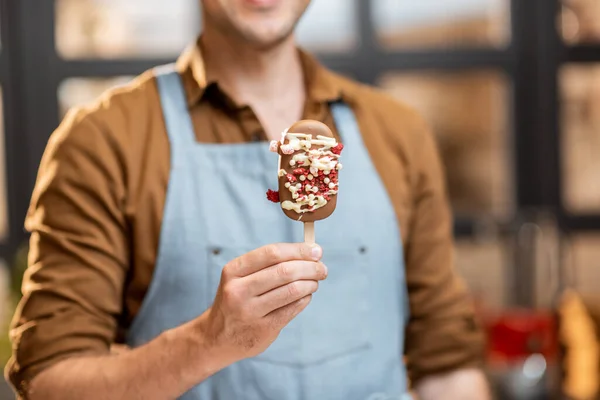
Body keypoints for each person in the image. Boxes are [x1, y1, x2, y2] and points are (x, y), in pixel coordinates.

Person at [5, 1, 490, 399]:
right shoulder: (105, 141)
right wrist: (208, 341)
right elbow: (49, 381)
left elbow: (447, 369)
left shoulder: (398, 132)